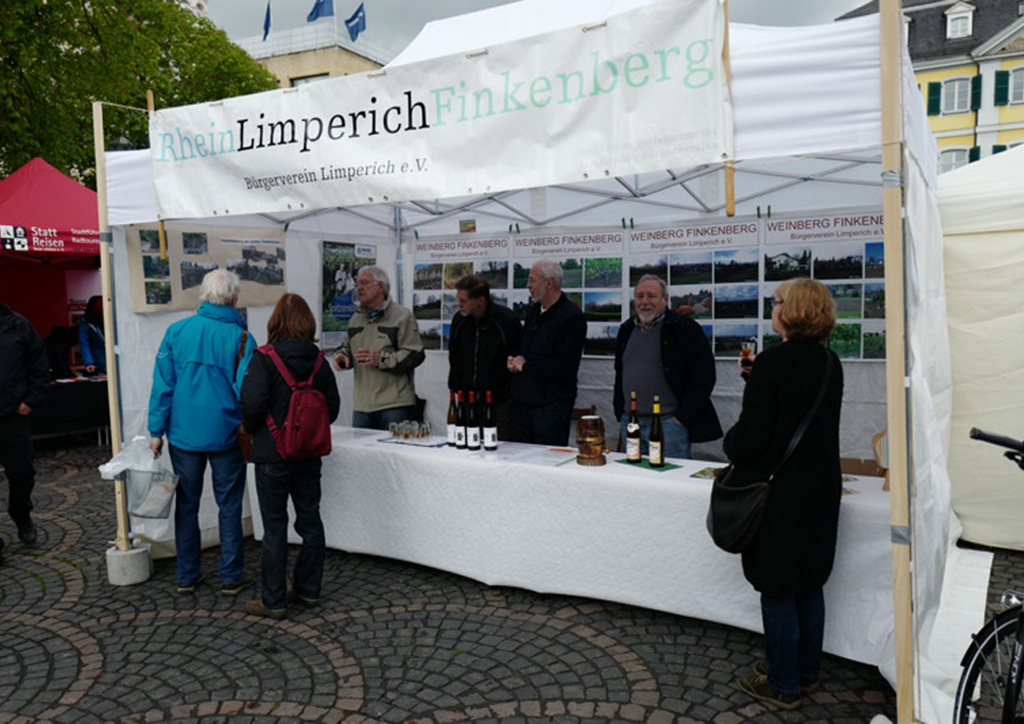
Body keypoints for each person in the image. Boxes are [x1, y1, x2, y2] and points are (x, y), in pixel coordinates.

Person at [726, 278, 844, 710]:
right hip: (820, 490)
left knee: (777, 588)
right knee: (809, 584)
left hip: (780, 495)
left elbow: (753, 439)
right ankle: (806, 673)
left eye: (775, 302)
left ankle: (783, 683)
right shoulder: (832, 362)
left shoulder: (774, 364)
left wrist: (730, 444)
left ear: (790, 310)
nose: (771, 308)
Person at [148, 269, 256, 595]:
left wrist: (156, 429)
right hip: (226, 432)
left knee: (187, 505)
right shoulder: (241, 338)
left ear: (203, 296)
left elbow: (163, 385)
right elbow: (246, 391)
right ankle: (231, 577)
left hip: (183, 435)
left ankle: (187, 575)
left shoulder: (176, 331)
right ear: (234, 299)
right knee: (229, 506)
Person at [240, 293, 340, 619]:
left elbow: (252, 409)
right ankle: (309, 590)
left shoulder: (264, 358)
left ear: (275, 321)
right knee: (310, 522)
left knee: (274, 528)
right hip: (309, 454)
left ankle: (274, 601)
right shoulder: (318, 361)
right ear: (307, 322)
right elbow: (333, 410)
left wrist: (259, 429)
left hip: (272, 454)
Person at [613, 274, 721, 459]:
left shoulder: (685, 328)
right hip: (631, 423)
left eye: (651, 296)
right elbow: (620, 373)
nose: (644, 301)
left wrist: (681, 418)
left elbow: (705, 376)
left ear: (665, 299)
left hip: (669, 425)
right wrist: (620, 411)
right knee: (633, 481)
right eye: (640, 296)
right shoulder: (626, 329)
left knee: (671, 482)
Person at [331, 265, 425, 429]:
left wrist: (381, 359)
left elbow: (415, 354)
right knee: (362, 455)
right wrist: (342, 356)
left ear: (380, 286)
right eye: (357, 283)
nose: (358, 288)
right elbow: (346, 346)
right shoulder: (356, 318)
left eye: (364, 283)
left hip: (394, 406)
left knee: (395, 454)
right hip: (362, 407)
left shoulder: (402, 316)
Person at [507, 258, 586, 446]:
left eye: (532, 280)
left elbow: (564, 367)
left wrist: (525, 366)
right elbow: (525, 349)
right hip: (523, 404)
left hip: (551, 408)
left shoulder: (571, 318)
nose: (528, 285)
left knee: (546, 465)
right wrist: (514, 360)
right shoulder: (534, 312)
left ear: (549, 283)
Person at [0, 298, 49, 565]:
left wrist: (31, 401)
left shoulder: (18, 325)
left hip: (12, 417)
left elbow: (39, 365)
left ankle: (21, 514)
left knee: (22, 473)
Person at [448, 274, 523, 440]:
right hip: (467, 402)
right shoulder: (459, 321)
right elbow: (454, 359)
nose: (459, 305)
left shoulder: (506, 321)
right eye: (458, 299)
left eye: (464, 301)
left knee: (500, 452)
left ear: (481, 300)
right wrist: (456, 391)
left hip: (499, 404)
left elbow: (516, 361)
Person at [79, 295, 106, 375]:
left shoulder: (114, 317)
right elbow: (84, 342)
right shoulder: (87, 320)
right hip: (99, 361)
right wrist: (89, 362)